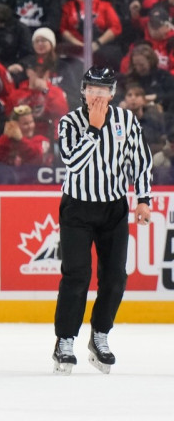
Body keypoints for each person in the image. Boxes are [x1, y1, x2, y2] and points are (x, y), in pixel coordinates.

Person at [52, 66, 153, 376]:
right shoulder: (69, 122)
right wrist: (94, 130)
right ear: (83, 90)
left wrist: (144, 198)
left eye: (103, 89)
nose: (97, 94)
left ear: (112, 92)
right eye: (92, 88)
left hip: (113, 208)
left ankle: (100, 335)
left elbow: (141, 159)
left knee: (115, 276)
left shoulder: (126, 121)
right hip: (78, 208)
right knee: (76, 276)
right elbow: (73, 163)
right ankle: (65, 340)